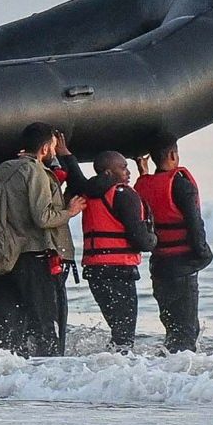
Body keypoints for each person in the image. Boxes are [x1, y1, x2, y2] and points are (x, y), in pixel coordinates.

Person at [0, 123, 85, 357]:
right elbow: (42, 217)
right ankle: (47, 379)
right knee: (45, 325)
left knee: (11, 328)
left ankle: (13, 375)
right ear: (45, 148)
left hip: (6, 259)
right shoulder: (34, 170)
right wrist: (70, 212)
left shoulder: (4, 169)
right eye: (53, 147)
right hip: (34, 259)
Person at [67, 150, 157, 351]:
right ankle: (116, 373)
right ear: (108, 172)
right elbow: (141, 240)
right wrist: (153, 239)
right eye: (123, 167)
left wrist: (67, 156)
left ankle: (107, 369)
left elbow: (76, 177)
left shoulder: (86, 192)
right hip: (119, 270)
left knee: (118, 329)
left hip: (95, 271)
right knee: (124, 335)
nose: (128, 172)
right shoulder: (124, 195)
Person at [133, 132, 212, 354]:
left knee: (173, 329)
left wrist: (143, 172)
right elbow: (194, 224)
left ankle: (166, 375)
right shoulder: (181, 184)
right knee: (187, 332)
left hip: (159, 266)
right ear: (172, 154)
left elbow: (150, 190)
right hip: (182, 265)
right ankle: (180, 382)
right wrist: (204, 255)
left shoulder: (143, 184)